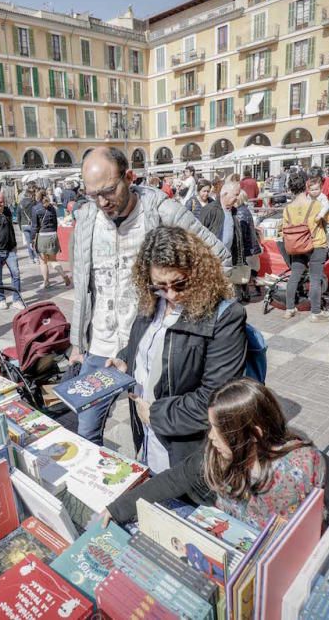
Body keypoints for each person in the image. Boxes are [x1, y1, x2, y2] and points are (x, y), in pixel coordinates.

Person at [70, 147, 231, 446]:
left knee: (149, 431)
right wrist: (77, 342)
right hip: (100, 347)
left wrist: (184, 315)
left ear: (129, 177)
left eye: (108, 191)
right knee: (86, 431)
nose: (102, 202)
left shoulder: (163, 211)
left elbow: (219, 257)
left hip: (149, 346)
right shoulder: (87, 219)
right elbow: (82, 284)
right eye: (93, 194)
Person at [104, 227, 247, 472]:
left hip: (188, 448)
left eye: (180, 284)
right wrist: (124, 360)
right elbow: (146, 345)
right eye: (160, 286)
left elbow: (216, 398)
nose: (170, 295)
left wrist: (157, 416)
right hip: (149, 432)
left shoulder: (225, 317)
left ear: (198, 273)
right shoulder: (152, 300)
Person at [103, 378, 324, 529]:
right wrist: (118, 509)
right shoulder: (214, 456)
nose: (210, 437)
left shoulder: (304, 464)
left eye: (221, 430)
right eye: (211, 426)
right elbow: (174, 479)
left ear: (254, 433)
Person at [281, 170, 329, 323]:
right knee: (315, 278)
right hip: (316, 244)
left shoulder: (287, 208)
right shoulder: (317, 205)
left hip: (296, 246)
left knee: (294, 276)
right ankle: (316, 312)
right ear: (306, 185)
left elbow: (283, 228)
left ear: (291, 188)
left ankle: (289, 308)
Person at [218, 177, 261, 303]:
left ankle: (244, 295)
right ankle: (250, 292)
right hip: (250, 247)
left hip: (246, 248)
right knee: (248, 272)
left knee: (242, 272)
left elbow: (240, 233)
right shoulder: (244, 210)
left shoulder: (240, 213)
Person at [32, 192, 69, 289]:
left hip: (42, 236)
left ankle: (46, 282)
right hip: (53, 235)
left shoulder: (35, 208)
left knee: (43, 261)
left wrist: (32, 239)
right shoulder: (52, 207)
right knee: (53, 260)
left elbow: (35, 226)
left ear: (38, 198)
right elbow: (55, 223)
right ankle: (64, 275)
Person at [18, 186, 39, 263]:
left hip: (24, 224)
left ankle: (31, 258)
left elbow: (18, 216)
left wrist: (20, 226)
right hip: (33, 224)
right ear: (30, 195)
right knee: (34, 241)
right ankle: (36, 257)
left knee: (28, 242)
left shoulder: (20, 203)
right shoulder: (34, 203)